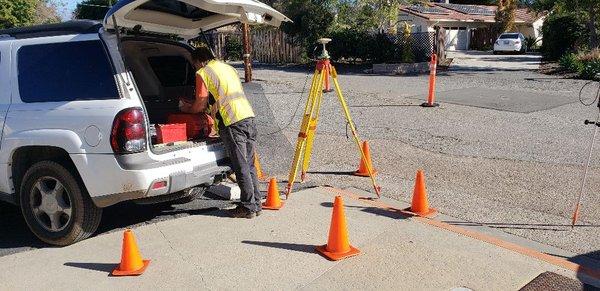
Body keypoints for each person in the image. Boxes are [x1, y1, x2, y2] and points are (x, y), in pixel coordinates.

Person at [180, 46, 262, 219]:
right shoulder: (228, 68)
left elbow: (200, 104)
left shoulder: (203, 72)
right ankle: (256, 204)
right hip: (247, 116)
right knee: (250, 164)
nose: (196, 68)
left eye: (195, 64)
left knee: (241, 166)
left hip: (231, 121)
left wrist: (186, 109)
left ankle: (247, 207)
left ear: (199, 61)